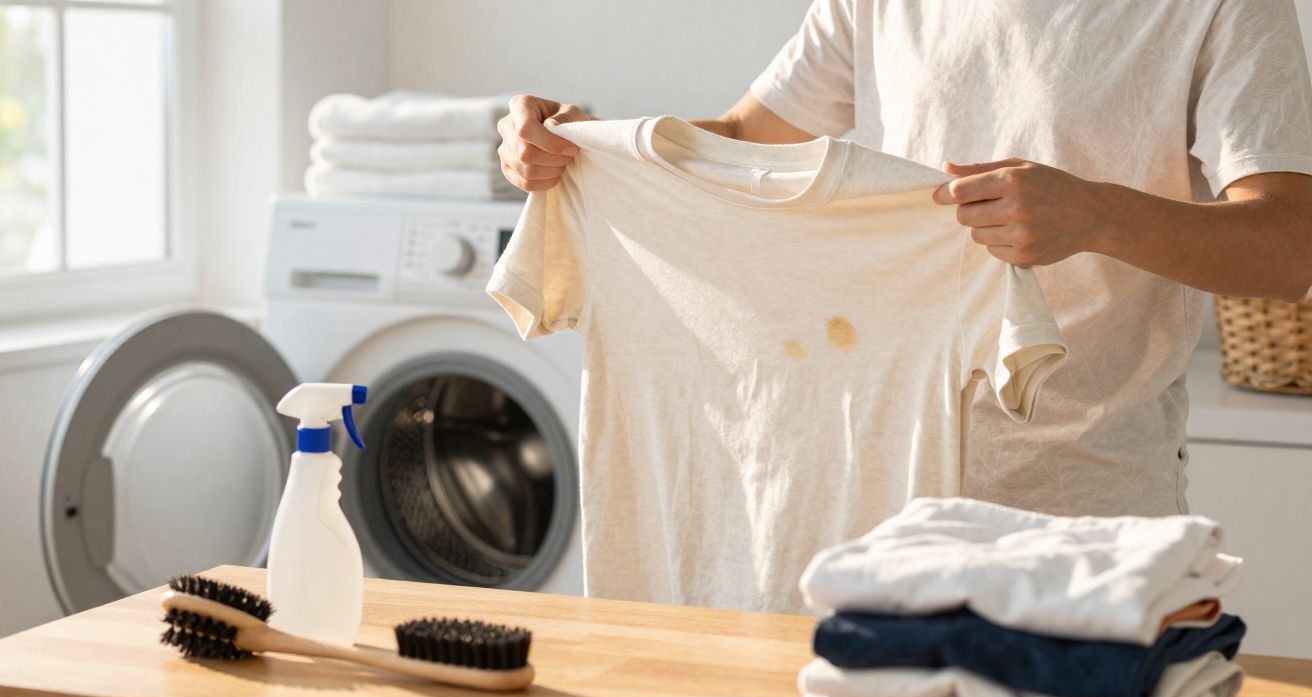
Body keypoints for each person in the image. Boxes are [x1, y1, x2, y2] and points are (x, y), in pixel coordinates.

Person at [495, 1, 1312, 519]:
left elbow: (1285, 247)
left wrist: (1095, 213)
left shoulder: (1229, 8)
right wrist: (586, 146)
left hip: (1085, 502)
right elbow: (741, 141)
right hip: (875, 497)